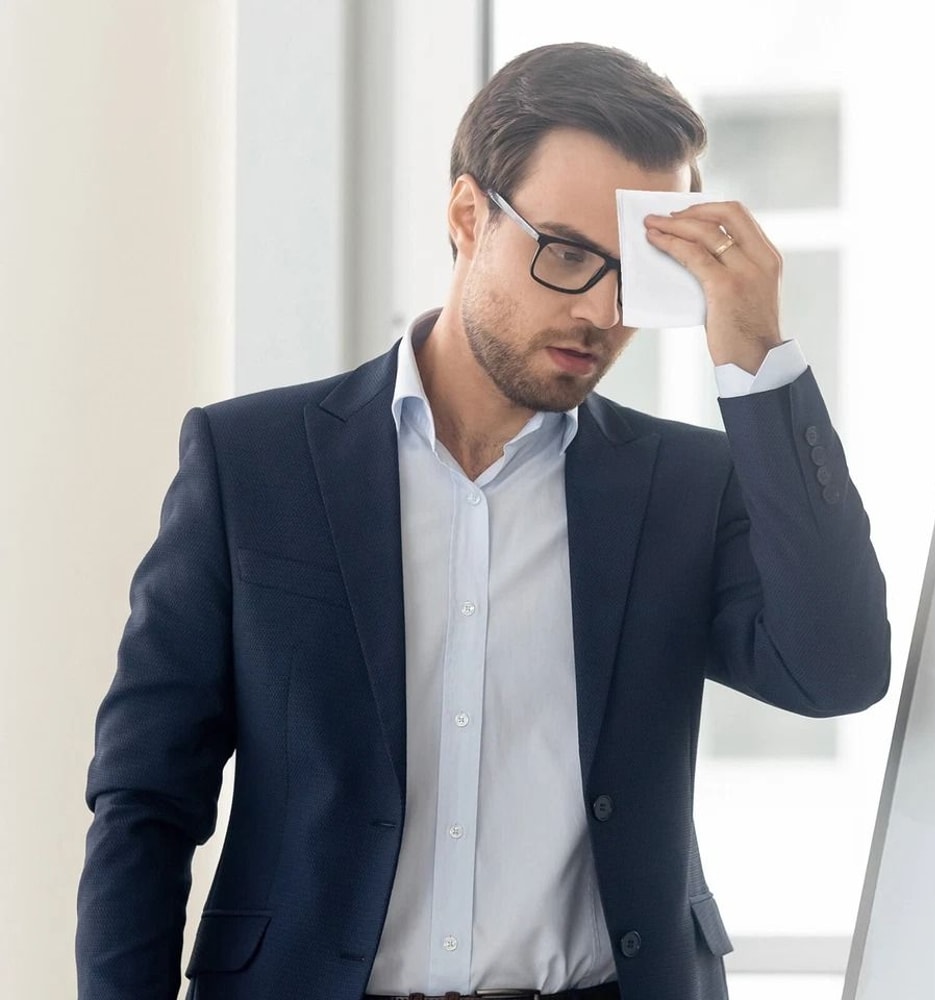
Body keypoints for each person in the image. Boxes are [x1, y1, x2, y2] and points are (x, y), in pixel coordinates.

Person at [76, 41, 890, 1000]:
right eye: (568, 254)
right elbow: (146, 796)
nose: (600, 309)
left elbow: (836, 670)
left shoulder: (681, 488)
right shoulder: (254, 462)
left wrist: (755, 353)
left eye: (636, 277)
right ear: (468, 215)